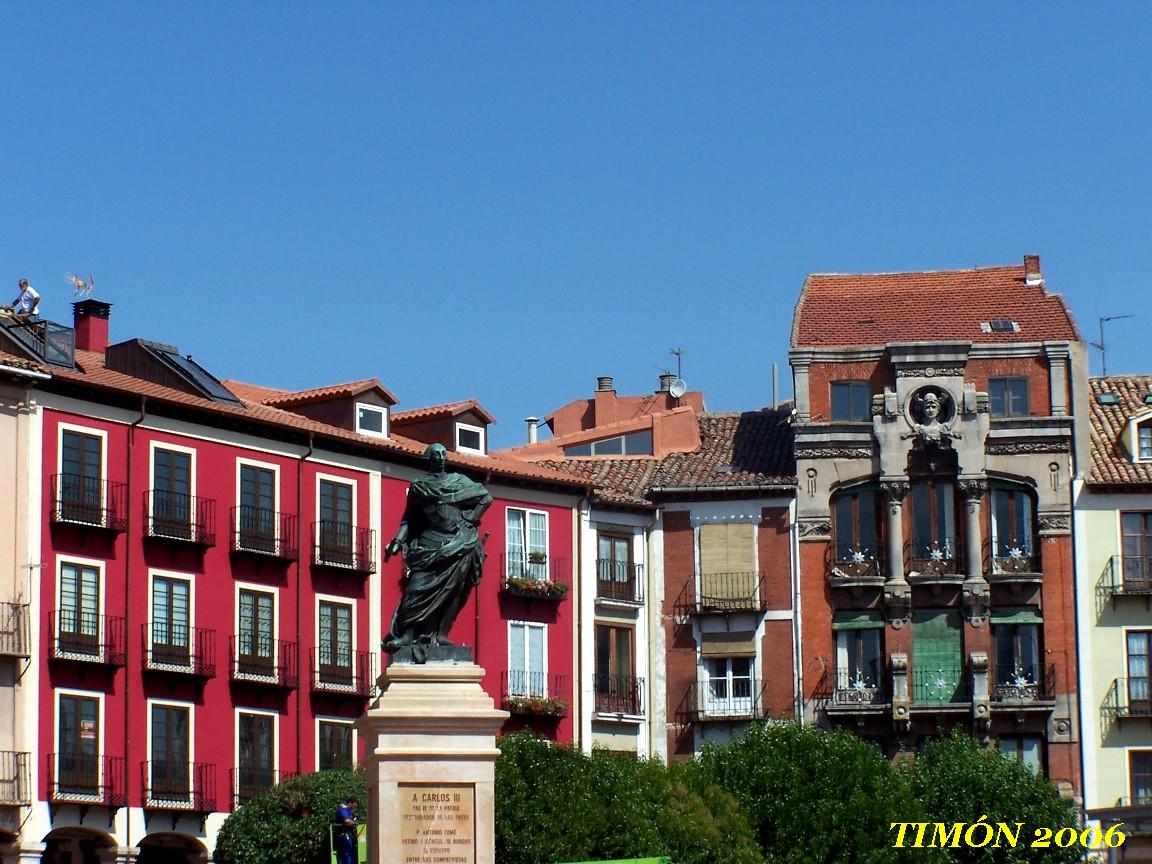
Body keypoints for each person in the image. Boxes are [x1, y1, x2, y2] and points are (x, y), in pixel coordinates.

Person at [383, 442, 492, 654]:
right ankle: (408, 634)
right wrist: (397, 540)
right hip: (430, 543)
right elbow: (409, 520)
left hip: (462, 541)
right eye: (436, 455)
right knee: (416, 588)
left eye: (443, 454)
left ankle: (441, 634)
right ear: (428, 459)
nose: (441, 458)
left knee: (455, 590)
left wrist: (471, 518)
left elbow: (486, 497)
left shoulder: (459, 481)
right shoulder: (419, 487)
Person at [334, 797, 358, 864]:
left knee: (343, 855)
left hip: (344, 835)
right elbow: (347, 821)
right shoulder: (344, 810)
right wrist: (355, 823)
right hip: (344, 835)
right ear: (350, 803)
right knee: (348, 854)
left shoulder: (347, 811)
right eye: (354, 806)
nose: (355, 808)